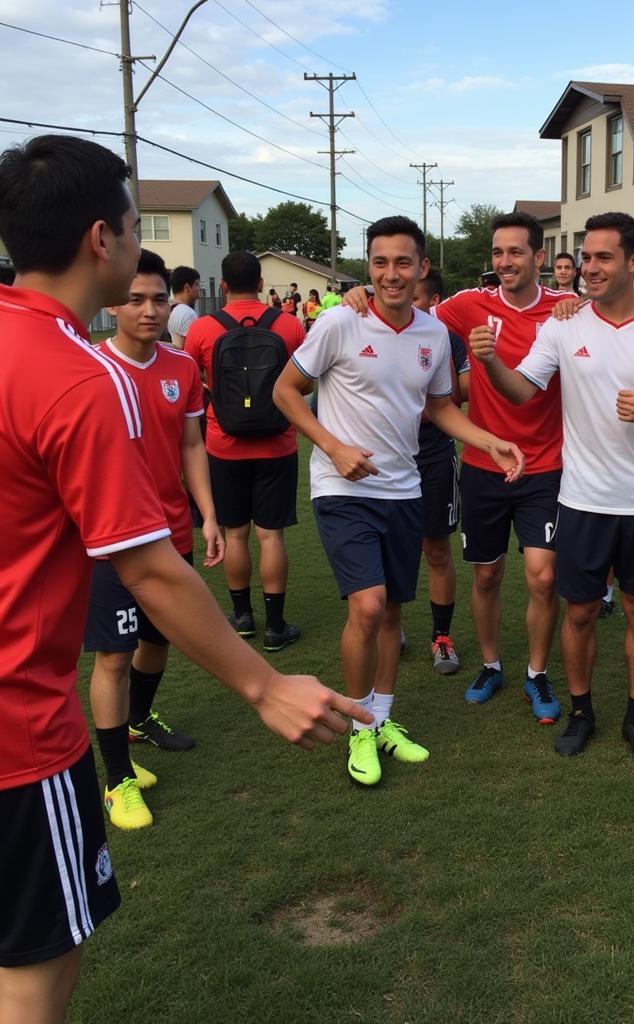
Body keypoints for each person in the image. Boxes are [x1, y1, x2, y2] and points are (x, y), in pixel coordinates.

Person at [0, 134, 370, 1024]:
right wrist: (264, 685)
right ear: (104, 238)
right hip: (16, 730)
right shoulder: (80, 379)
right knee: (36, 965)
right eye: (133, 227)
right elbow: (147, 568)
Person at [274, 215, 524, 787]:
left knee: (389, 612)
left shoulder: (435, 335)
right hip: (344, 489)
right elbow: (285, 390)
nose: (391, 274)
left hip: (404, 490)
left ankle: (383, 720)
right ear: (369, 266)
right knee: (366, 606)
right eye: (380, 262)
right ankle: (359, 727)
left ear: (422, 269)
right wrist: (333, 447)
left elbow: (439, 407)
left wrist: (490, 439)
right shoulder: (339, 321)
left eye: (402, 263)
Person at [471, 212, 634, 761]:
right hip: (580, 500)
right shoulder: (562, 324)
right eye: (586, 257)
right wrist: (490, 361)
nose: (590, 268)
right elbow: (523, 391)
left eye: (603, 257)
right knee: (578, 612)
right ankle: (581, 713)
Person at [344, 212, 572, 727]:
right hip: (481, 464)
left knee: (543, 576)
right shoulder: (468, 306)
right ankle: (491, 666)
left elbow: (616, 314)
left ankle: (536, 673)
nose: (505, 262)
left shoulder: (565, 309)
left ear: (539, 257)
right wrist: (361, 292)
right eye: (497, 253)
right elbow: (405, 304)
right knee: (487, 574)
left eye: (516, 252)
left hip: (546, 465)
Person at [83, 249, 222, 829]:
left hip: (170, 531)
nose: (148, 310)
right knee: (114, 654)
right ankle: (117, 780)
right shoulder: (88, 367)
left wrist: (208, 514)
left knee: (158, 639)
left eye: (158, 299)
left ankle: (139, 720)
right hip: (111, 540)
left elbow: (192, 446)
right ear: (113, 300)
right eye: (135, 299)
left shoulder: (182, 368)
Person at [185, 253, 306, 651]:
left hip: (224, 445)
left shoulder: (202, 328)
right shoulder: (288, 325)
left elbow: (193, 382)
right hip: (277, 443)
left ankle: (243, 618)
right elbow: (304, 383)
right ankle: (276, 625)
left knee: (234, 534)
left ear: (221, 285)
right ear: (260, 282)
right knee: (270, 536)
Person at [411, 267, 471, 675]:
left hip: (432, 453)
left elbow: (456, 396)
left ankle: (441, 637)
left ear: (432, 302)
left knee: (436, 548)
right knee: (385, 547)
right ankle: (385, 622)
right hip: (382, 458)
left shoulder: (445, 338)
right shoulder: (366, 329)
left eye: (415, 297)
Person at [167, 264, 200, 350]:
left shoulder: (170, 309)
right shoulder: (187, 313)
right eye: (197, 284)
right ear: (187, 287)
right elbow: (190, 348)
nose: (199, 288)